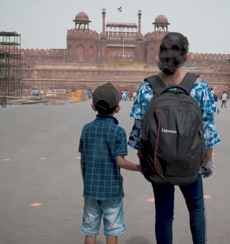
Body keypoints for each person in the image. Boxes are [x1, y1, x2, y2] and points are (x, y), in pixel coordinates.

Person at [128, 32, 220, 244]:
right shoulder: (198, 86)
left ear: (160, 54)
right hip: (191, 162)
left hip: (159, 163)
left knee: (164, 215)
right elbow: (208, 130)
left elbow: (137, 133)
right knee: (196, 209)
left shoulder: (147, 87)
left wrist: (146, 162)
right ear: (186, 56)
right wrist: (207, 161)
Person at [79, 82, 141, 244]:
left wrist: (86, 180)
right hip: (112, 190)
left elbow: (83, 159)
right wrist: (140, 168)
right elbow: (120, 161)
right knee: (112, 232)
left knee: (90, 230)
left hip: (91, 188)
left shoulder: (86, 129)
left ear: (93, 106)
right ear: (118, 108)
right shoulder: (118, 131)